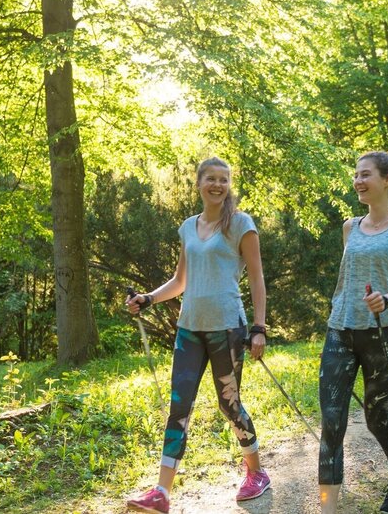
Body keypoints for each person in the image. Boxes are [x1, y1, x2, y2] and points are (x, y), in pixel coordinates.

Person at [125, 157, 270, 514]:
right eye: (211, 179)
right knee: (179, 406)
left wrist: (259, 328)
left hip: (227, 327)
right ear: (199, 183)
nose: (217, 185)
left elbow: (256, 278)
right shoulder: (189, 227)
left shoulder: (240, 224)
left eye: (224, 180)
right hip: (190, 328)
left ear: (229, 185)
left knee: (228, 403)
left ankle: (256, 471)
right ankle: (161, 492)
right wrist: (148, 298)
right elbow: (180, 281)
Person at [318, 150, 388, 514]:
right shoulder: (350, 226)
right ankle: (327, 509)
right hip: (340, 330)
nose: (358, 181)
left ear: (387, 180)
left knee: (377, 419)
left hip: (382, 333)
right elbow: (346, 280)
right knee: (332, 422)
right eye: (356, 175)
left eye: (365, 175)